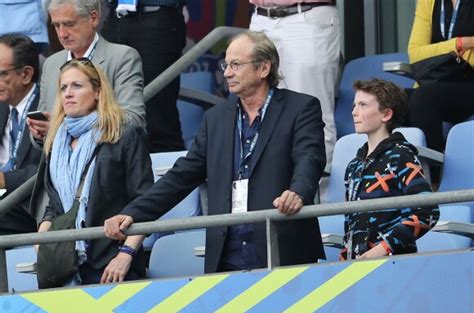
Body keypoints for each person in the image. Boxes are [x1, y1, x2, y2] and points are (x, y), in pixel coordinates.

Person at [105, 31, 327, 273]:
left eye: (236, 65)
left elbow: (310, 158)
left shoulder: (301, 107)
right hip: (226, 254)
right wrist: (134, 212)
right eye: (226, 64)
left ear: (264, 68)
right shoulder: (216, 118)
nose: (227, 73)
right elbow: (182, 175)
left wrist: (298, 192)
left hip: (282, 246)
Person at [37, 58, 153, 286]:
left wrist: (125, 255)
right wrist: (42, 238)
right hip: (64, 264)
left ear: (98, 92)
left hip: (110, 264)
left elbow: (145, 201)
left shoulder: (124, 135)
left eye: (77, 86)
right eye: (63, 87)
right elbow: (56, 204)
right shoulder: (55, 142)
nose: (68, 93)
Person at [341, 79, 440, 260]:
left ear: (386, 114)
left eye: (363, 105)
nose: (354, 112)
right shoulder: (353, 166)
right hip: (355, 268)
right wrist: (344, 258)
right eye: (354, 105)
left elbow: (427, 212)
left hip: (394, 265)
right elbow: (350, 222)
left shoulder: (400, 156)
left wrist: (385, 247)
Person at [28, 0, 146, 142]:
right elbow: (41, 136)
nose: (62, 34)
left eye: (69, 24)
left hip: (103, 161)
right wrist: (39, 133)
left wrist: (63, 128)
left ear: (94, 18)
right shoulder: (51, 64)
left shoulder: (122, 57)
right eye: (56, 26)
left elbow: (133, 121)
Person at [249, 0, 340, 171]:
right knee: (257, 112)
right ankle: (267, 191)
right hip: (260, 16)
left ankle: (320, 194)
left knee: (313, 110)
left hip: (306, 15)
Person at [101, 0, 187, 152]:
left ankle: (168, 174)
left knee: (158, 116)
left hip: (156, 15)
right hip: (116, 15)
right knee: (104, 106)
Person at [408, 0, 474, 152]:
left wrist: (436, 51)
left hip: (468, 84)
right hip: (437, 82)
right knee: (386, 99)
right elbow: (415, 53)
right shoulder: (428, 2)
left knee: (424, 98)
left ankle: (433, 171)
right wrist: (461, 44)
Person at [0, 34, 42, 235]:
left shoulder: (48, 107)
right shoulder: (2, 105)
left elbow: (49, 169)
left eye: (1, 74)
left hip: (30, 204)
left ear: (26, 74)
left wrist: (4, 180)